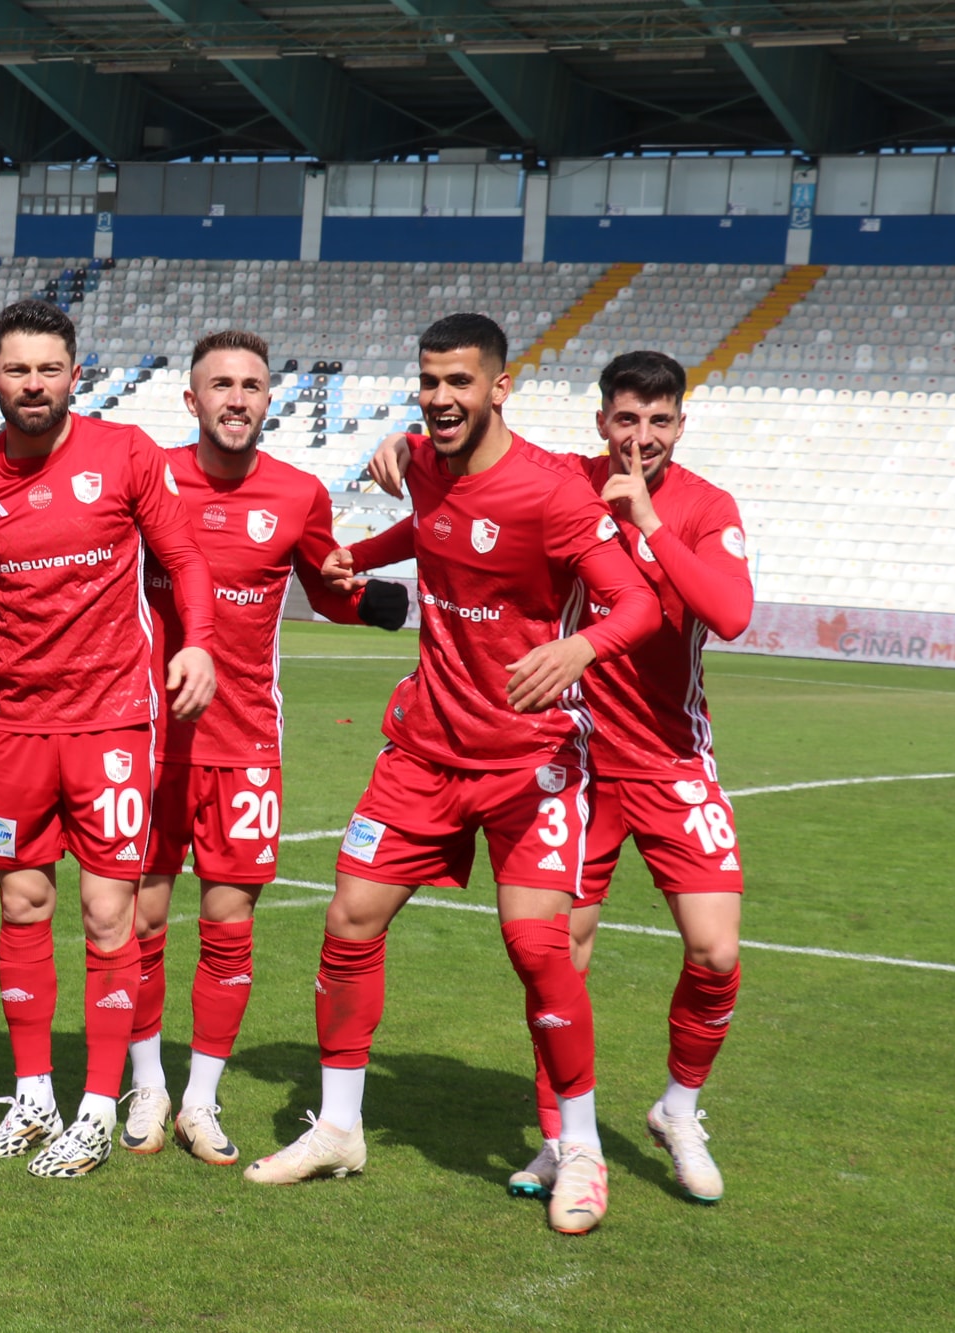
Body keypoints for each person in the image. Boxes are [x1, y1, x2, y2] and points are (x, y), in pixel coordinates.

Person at [253, 313, 659, 1239]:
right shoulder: (426, 460)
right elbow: (438, 525)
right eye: (429, 381)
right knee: (349, 919)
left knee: (537, 948)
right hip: (425, 748)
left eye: (459, 382)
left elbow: (637, 601)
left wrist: (581, 648)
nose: (440, 398)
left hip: (530, 759)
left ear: (500, 387)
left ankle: (581, 1150)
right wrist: (365, 553)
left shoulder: (553, 494)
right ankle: (340, 1127)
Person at [368, 350, 751, 1205]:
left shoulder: (705, 506)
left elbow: (730, 613)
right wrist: (402, 447)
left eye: (659, 421)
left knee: (716, 950)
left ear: (680, 426)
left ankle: (678, 1108)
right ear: (601, 421)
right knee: (556, 958)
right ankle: (561, 1139)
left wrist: (648, 521)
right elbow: (463, 487)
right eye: (626, 418)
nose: (641, 436)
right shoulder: (566, 481)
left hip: (671, 760)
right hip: (569, 760)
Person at [0, 299, 218, 1179]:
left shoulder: (124, 453)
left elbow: (185, 558)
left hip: (112, 720)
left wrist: (198, 641)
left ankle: (95, 1108)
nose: (34, 384)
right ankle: (34, 1096)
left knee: (106, 914)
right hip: (14, 723)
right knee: (21, 905)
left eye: (50, 369)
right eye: (18, 369)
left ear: (75, 375)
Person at [119, 330, 408, 1165]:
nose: (237, 399)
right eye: (221, 384)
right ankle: (148, 1084)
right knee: (140, 916)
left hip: (246, 742)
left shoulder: (298, 493)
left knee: (229, 920)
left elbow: (328, 585)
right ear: (192, 399)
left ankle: (199, 1101)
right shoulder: (150, 477)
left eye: (251, 385)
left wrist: (380, 603)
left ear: (269, 398)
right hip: (146, 736)